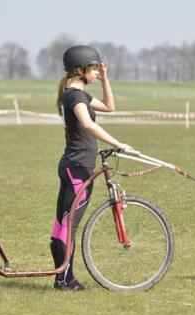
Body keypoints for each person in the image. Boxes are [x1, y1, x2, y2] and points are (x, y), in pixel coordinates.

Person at [50, 45, 132, 291]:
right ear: (79, 70)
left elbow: (110, 107)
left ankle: (60, 277)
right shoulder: (75, 97)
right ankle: (66, 279)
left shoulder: (78, 95)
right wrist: (116, 143)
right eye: (94, 69)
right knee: (68, 225)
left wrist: (107, 80)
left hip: (72, 166)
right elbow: (87, 124)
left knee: (62, 223)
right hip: (78, 169)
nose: (97, 73)